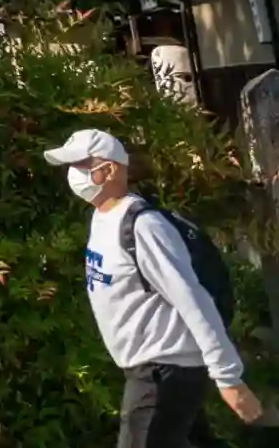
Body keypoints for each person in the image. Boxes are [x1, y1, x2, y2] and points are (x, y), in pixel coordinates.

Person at [47, 128, 264, 447]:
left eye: (81, 165)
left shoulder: (144, 226)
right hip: (152, 370)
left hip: (164, 371)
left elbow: (192, 299)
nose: (73, 174)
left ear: (110, 169)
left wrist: (228, 376)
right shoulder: (103, 219)